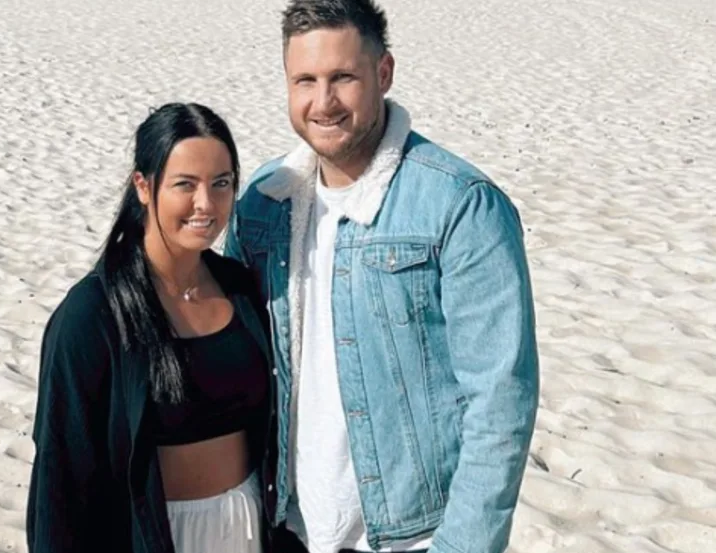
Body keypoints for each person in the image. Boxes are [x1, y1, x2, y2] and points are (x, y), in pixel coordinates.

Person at [224, 1, 540, 552]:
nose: (323, 103)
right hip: (288, 528)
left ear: (384, 73)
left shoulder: (460, 205)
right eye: (305, 80)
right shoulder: (263, 202)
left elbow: (500, 404)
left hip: (412, 538)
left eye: (342, 77)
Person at [26, 102, 278, 553]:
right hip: (156, 535)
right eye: (185, 184)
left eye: (222, 184)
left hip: (248, 523)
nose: (206, 204)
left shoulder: (240, 287)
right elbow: (60, 479)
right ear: (143, 186)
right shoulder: (91, 316)